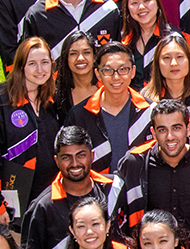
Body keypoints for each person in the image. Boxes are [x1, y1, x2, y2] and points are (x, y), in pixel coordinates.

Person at [0, 37, 62, 226]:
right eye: (32, 64)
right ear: (20, 66)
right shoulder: (1, 101)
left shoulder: (51, 100)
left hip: (48, 198)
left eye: (44, 63)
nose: (39, 70)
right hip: (13, 200)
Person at [116, 99, 190, 249]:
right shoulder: (136, 164)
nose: (170, 137)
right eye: (162, 130)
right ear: (153, 132)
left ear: (189, 128)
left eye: (176, 128)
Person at [20, 126, 124, 249]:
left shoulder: (114, 189)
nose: (75, 163)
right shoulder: (43, 207)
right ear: (56, 160)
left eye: (81, 155)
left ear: (92, 155)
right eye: (66, 157)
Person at [63, 42, 151, 174]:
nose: (116, 77)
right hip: (98, 191)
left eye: (122, 69)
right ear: (98, 74)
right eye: (108, 70)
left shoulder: (150, 111)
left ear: (132, 71)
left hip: (140, 189)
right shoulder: (79, 115)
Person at [119, 0, 168, 87]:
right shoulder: (124, 41)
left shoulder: (171, 39)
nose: (141, 7)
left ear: (157, 3)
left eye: (146, 1)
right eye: (134, 3)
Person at [52, 31, 98, 119]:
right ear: (66, 58)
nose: (80, 58)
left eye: (86, 52)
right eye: (73, 54)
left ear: (94, 56)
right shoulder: (56, 93)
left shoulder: (107, 87)